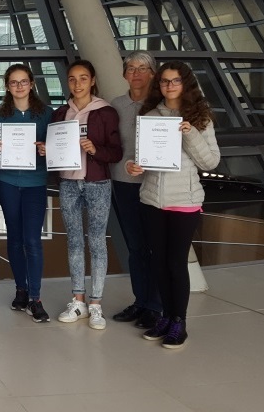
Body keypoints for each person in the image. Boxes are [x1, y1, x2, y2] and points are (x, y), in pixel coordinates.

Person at [129, 61, 220, 349]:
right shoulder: (150, 115)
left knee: (175, 263)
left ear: (186, 83)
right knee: (158, 261)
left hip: (184, 201)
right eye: (165, 81)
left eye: (175, 81)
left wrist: (189, 132)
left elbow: (210, 162)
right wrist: (135, 166)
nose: (169, 86)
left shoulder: (200, 117)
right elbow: (143, 157)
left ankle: (179, 321)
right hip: (152, 200)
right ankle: (166, 317)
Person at [43, 60, 122, 331]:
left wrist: (95, 149)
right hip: (67, 183)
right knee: (75, 242)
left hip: (97, 183)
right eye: (73, 79)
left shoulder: (106, 112)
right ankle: (78, 300)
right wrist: (47, 151)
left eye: (83, 78)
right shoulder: (60, 113)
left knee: (97, 242)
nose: (77, 84)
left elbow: (116, 152)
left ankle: (96, 303)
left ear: (93, 80)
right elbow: (55, 147)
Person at [0, 64, 53, 323]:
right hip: (6, 182)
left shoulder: (47, 114)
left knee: (32, 241)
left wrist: (45, 149)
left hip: (35, 183)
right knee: (15, 238)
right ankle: (21, 289)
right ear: (7, 86)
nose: (19, 86)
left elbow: (58, 149)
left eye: (23, 81)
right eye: (14, 82)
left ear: (31, 84)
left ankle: (35, 298)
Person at [110, 51, 162, 330]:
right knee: (135, 247)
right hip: (123, 182)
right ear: (124, 74)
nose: (137, 73)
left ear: (153, 73)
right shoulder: (116, 106)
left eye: (143, 68)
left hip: (155, 184)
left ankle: (155, 305)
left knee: (155, 246)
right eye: (131, 68)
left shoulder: (162, 106)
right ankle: (140, 301)